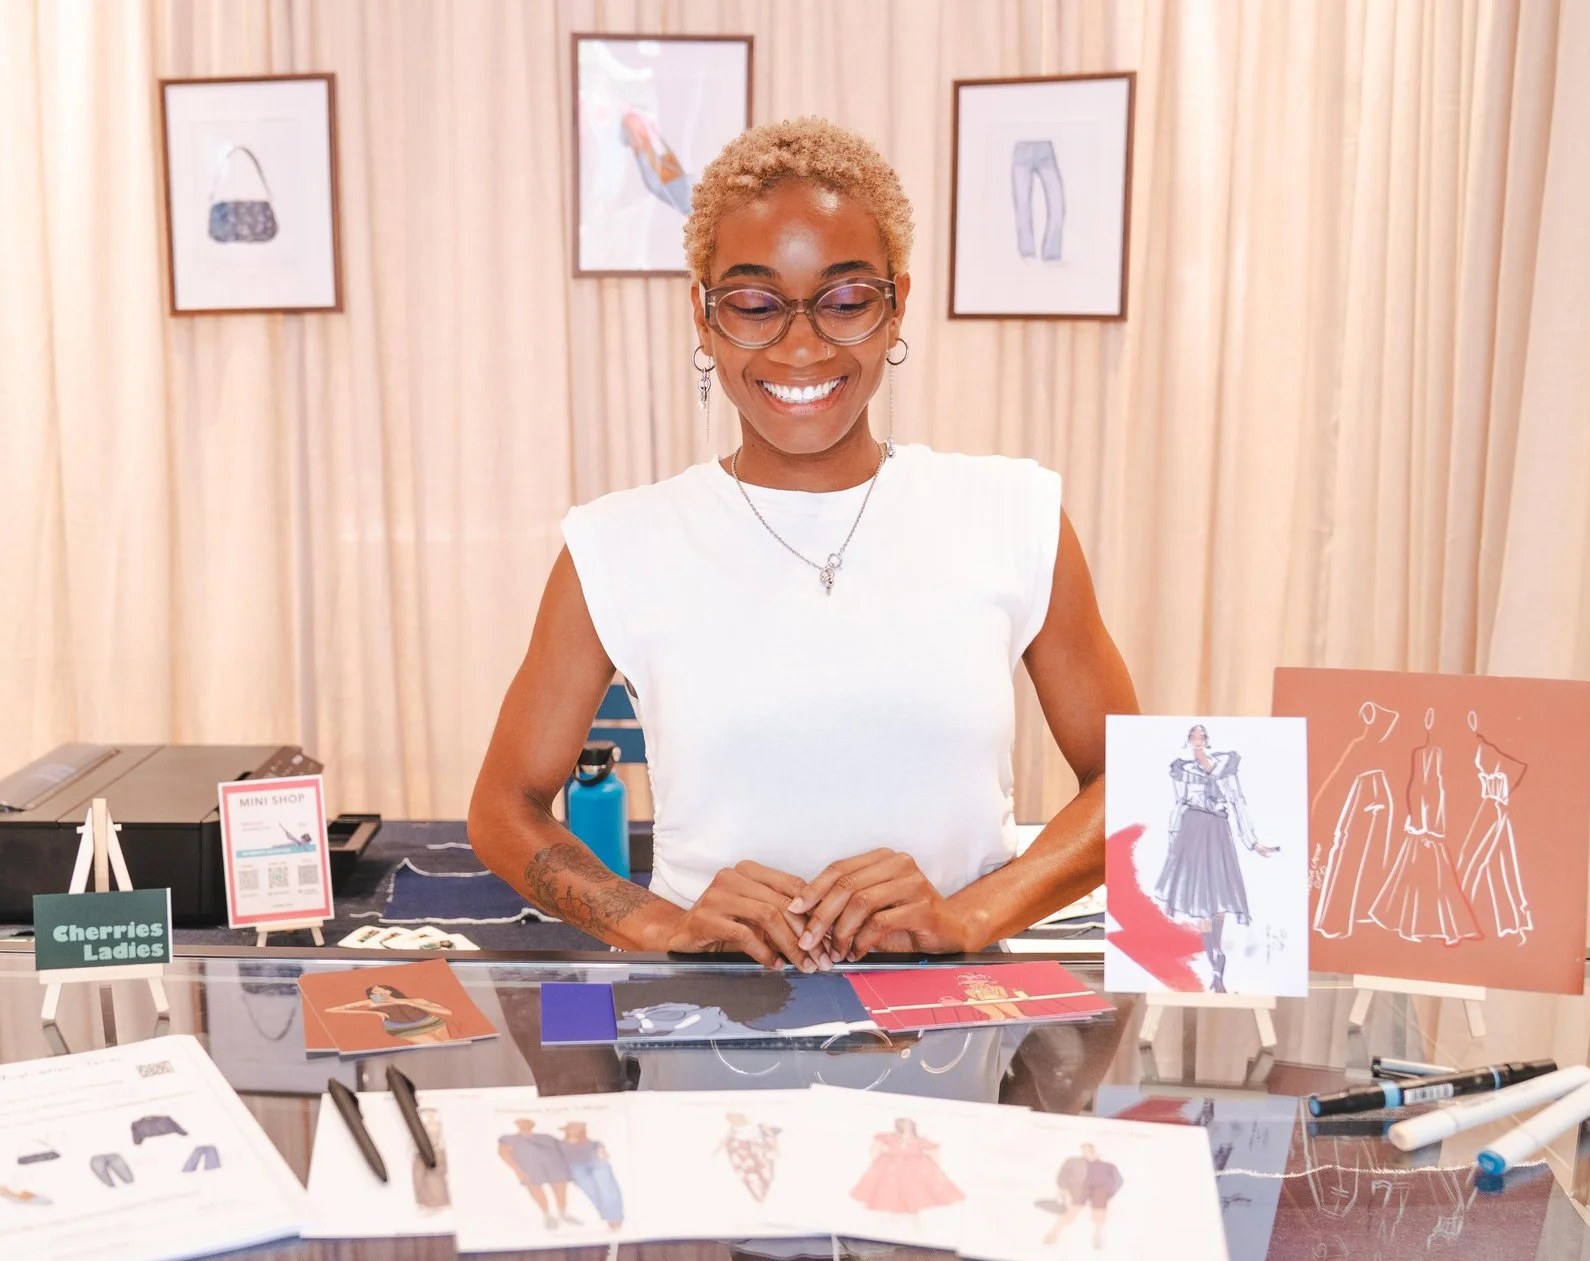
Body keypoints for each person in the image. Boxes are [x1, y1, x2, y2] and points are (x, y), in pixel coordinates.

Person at [469, 117, 1139, 971]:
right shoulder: (618, 543)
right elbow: (503, 805)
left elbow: (1133, 784)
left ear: (897, 304)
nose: (801, 344)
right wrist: (655, 924)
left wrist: (968, 916)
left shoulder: (1014, 513)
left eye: (846, 300)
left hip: (954, 1036)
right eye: (752, 304)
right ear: (703, 319)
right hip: (709, 1032)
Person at [1155, 725, 1278, 992]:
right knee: (1200, 903)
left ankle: (1217, 959)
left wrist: (1252, 842)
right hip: (1192, 831)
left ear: (1208, 741)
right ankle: (1216, 963)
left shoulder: (1226, 768)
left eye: (1202, 737)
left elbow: (1237, 802)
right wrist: (1173, 844)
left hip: (1218, 832)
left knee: (1220, 899)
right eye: (1193, 737)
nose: (1197, 742)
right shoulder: (1182, 771)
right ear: (1187, 740)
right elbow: (1180, 805)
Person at [848, 1117, 964, 1216]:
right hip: (892, 1170)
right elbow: (875, 1148)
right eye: (903, 1122)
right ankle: (894, 1216)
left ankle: (911, 1214)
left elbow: (934, 1152)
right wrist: (878, 1160)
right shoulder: (890, 1137)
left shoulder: (919, 1140)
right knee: (891, 1191)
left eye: (908, 1122)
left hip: (913, 1171)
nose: (906, 1125)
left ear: (913, 1124)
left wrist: (932, 1169)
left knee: (913, 1191)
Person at [497, 1118, 580, 1229]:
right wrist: (518, 1170)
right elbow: (504, 1154)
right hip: (530, 1167)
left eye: (528, 1123)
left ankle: (563, 1213)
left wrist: (571, 1134)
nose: (525, 1125)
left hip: (554, 1165)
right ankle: (547, 1215)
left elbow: (564, 1146)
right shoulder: (509, 1139)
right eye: (522, 1123)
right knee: (534, 1187)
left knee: (559, 1185)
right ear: (517, 1125)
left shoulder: (545, 1137)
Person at [1042, 1143, 1123, 1249]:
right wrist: (1064, 1189)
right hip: (1080, 1189)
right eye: (1084, 1150)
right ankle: (1054, 1232)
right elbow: (1062, 1175)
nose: (1087, 1152)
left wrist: (1110, 1194)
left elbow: (1118, 1180)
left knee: (1099, 1209)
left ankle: (1097, 1236)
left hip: (1100, 1189)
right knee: (1072, 1209)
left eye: (1089, 1149)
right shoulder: (1074, 1162)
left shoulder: (1108, 1166)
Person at [323, 983, 456, 1045]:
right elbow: (331, 1010)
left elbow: (447, 1012)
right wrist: (374, 1014)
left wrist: (410, 1003)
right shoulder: (370, 1003)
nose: (376, 994)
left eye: (380, 991)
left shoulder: (412, 1000)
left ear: (389, 992)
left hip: (432, 1022)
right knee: (436, 1046)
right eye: (373, 993)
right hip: (404, 1029)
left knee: (452, 1045)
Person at [560, 1121, 626, 1230]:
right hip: (575, 1167)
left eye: (577, 1128)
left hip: (595, 1162)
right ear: (566, 1130)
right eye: (571, 1128)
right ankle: (609, 1217)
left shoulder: (593, 1143)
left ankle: (615, 1218)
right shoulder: (560, 1145)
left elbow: (603, 1152)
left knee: (607, 1188)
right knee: (593, 1192)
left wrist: (602, 1153)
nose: (573, 1130)